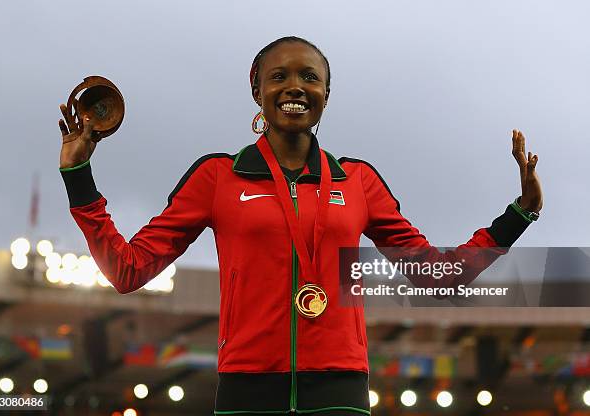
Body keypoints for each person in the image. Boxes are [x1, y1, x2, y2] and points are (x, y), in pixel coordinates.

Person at [58, 36, 543, 415]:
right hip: (247, 389)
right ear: (257, 91)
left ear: (326, 95)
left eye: (309, 77)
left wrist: (518, 214)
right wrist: (79, 179)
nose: (295, 86)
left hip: (341, 389)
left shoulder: (358, 181)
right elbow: (127, 271)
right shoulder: (217, 178)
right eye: (279, 76)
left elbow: (442, 275)